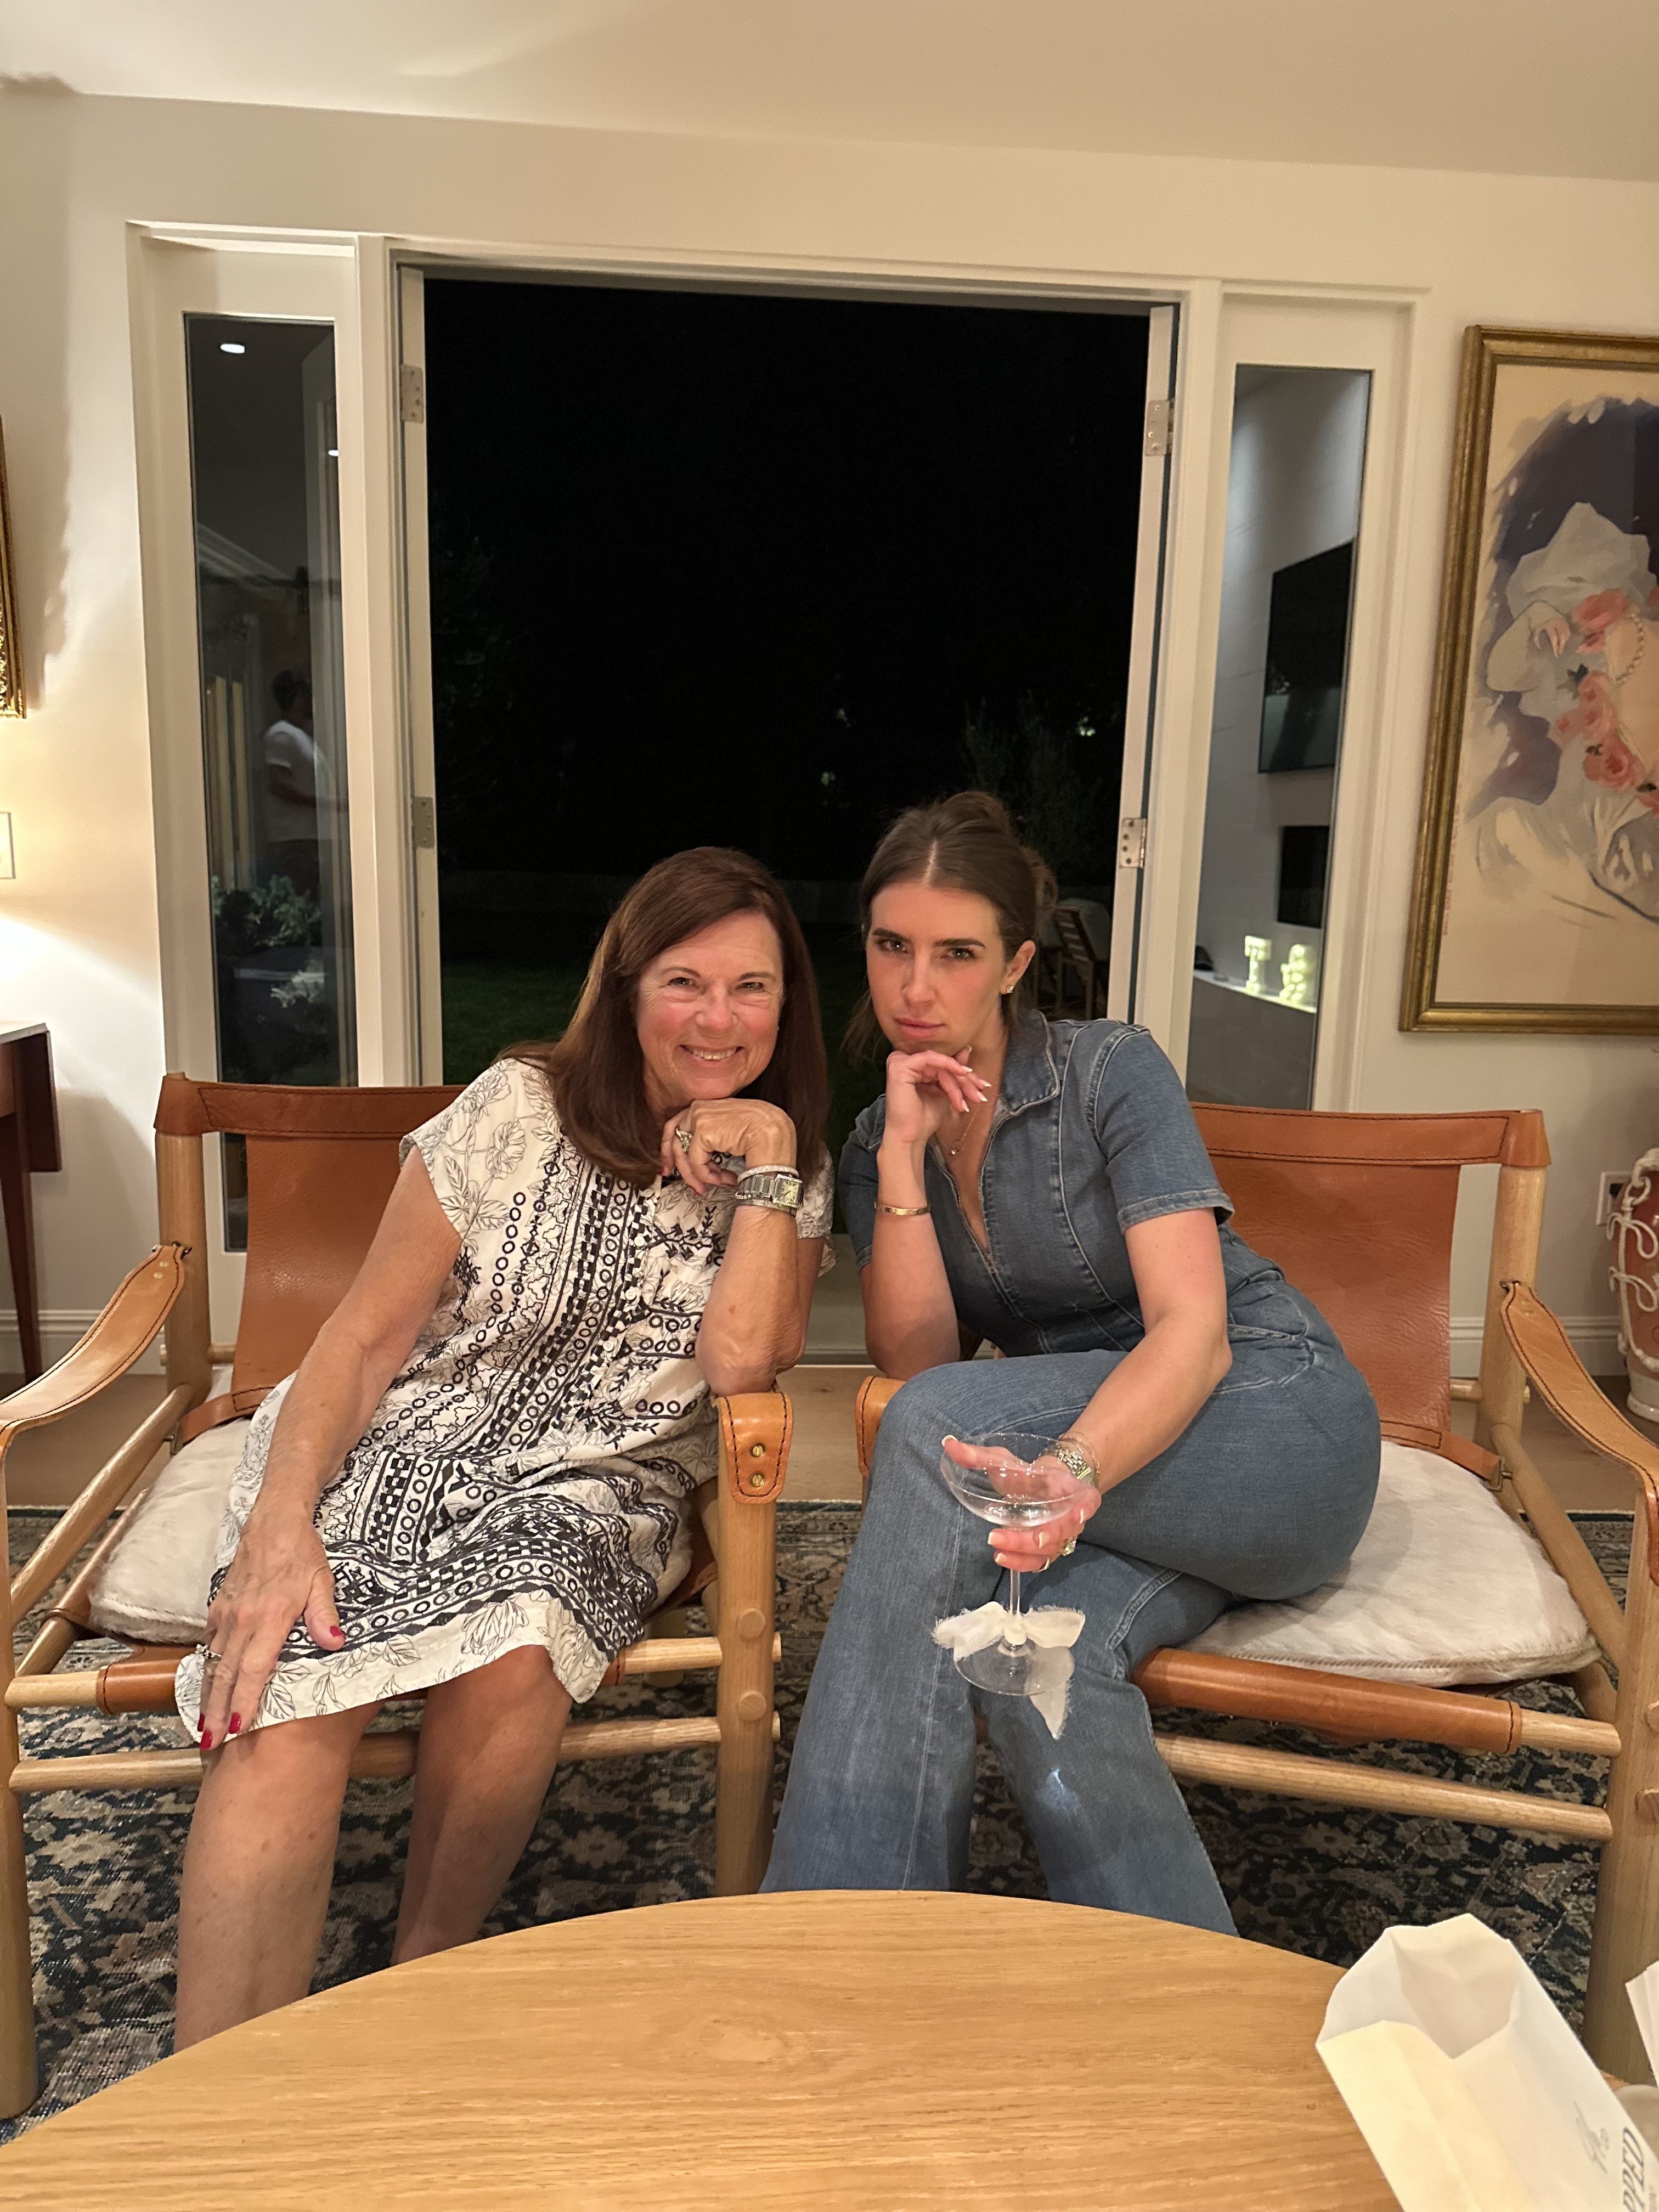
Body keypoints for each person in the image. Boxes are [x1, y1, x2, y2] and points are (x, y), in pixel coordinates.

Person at [174, 847, 831, 2044]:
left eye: (753, 987)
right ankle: (211, 2096)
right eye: (684, 982)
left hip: (599, 1485)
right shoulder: (516, 1107)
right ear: (625, 989)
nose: (719, 1019)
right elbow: (361, 1339)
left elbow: (743, 1364)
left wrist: (775, 1155)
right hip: (406, 1444)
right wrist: (280, 1519)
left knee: (527, 1628)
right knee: (286, 1673)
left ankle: (419, 1989)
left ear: (788, 1006)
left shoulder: (788, 1178)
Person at [763, 792, 1379, 1929]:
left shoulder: (1107, 1073)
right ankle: (1177, 1984)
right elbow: (922, 1363)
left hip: (1271, 1425)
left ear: (1014, 965)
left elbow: (1192, 1330)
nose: (914, 986)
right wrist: (900, 1161)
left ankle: (839, 1930)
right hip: (1115, 1486)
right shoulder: (875, 1139)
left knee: (931, 1431)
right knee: (1031, 1657)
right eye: (892, 946)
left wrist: (1079, 1467)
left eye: (956, 954)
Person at [258, 670, 327, 898]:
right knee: (301, 899)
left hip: (306, 836)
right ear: (297, 698)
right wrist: (325, 804)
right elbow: (279, 784)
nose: (312, 701)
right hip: (293, 840)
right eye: (307, 695)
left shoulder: (300, 736)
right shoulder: (282, 736)